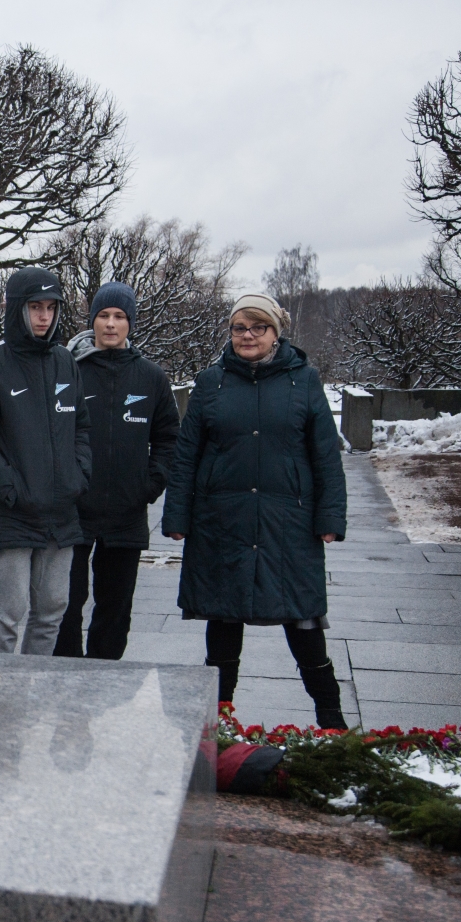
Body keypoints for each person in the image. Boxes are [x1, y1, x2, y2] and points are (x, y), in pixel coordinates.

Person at [162, 292, 348, 729]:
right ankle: (218, 724)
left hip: (289, 523)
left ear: (275, 332)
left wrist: (330, 518)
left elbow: (325, 455)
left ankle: (334, 724)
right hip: (222, 520)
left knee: (304, 626)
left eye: (258, 327)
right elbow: (188, 452)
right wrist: (177, 516)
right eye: (239, 328)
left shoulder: (304, 380)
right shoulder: (211, 382)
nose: (248, 336)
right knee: (223, 622)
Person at [0, 266, 91, 655]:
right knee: (7, 613)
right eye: (35, 307)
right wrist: (11, 487)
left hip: (61, 514)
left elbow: (82, 427)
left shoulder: (66, 362)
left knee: (52, 611)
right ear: (16, 308)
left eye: (51, 307)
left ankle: (32, 695)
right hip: (11, 513)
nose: (44, 316)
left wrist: (77, 477)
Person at [54, 282, 180, 660]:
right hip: (72, 511)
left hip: (126, 512)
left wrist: (149, 485)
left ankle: (103, 683)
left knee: (115, 610)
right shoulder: (67, 369)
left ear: (130, 323)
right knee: (65, 605)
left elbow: (169, 439)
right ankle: (66, 681)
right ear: (92, 320)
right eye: (103, 316)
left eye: (119, 317)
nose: (110, 324)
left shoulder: (151, 377)